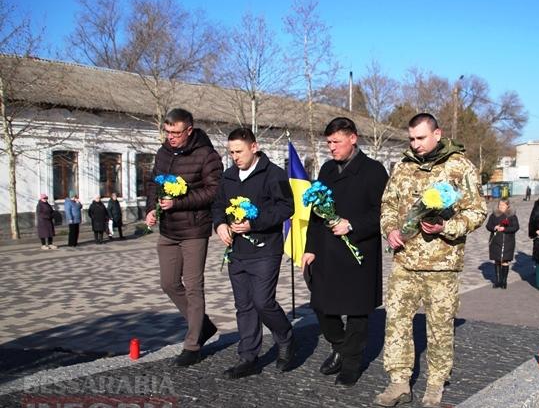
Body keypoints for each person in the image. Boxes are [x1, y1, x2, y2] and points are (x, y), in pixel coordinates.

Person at [375, 113, 486, 408]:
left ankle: (436, 383)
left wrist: (446, 228)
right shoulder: (403, 166)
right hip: (405, 262)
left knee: (439, 327)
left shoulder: (459, 167)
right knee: (396, 322)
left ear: (438, 134)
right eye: (411, 139)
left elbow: (477, 211)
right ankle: (399, 382)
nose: (415, 144)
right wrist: (390, 229)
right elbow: (387, 204)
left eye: (421, 138)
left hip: (442, 264)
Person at [302, 117, 389, 387]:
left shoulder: (374, 171)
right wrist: (310, 248)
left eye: (336, 142)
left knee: (357, 313)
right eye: (328, 142)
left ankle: (351, 362)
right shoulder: (327, 169)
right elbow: (316, 211)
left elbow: (383, 214)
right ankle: (340, 345)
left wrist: (352, 225)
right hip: (327, 252)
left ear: (353, 139)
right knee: (321, 305)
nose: (331, 148)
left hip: (359, 252)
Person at [212, 128, 295, 379]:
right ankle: (248, 357)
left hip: (265, 249)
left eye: (239, 151)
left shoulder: (274, 174)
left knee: (263, 302)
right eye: (231, 152)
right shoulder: (228, 176)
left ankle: (285, 337)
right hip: (237, 251)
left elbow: (287, 207)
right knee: (244, 306)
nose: (235, 157)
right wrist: (220, 225)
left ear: (254, 147)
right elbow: (217, 206)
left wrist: (254, 224)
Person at [145, 108, 223, 367]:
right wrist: (150, 209)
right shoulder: (162, 152)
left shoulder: (207, 155)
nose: (171, 138)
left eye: (176, 133)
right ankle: (203, 325)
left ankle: (192, 344)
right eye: (167, 132)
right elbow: (154, 183)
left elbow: (214, 192)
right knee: (168, 283)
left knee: (193, 286)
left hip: (194, 230)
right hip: (168, 230)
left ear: (189, 130)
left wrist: (178, 203)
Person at [486, 198, 519, 289]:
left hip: (508, 241)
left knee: (505, 260)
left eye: (503, 205)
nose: (501, 206)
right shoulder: (493, 215)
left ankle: (504, 281)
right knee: (497, 260)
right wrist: (494, 227)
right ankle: (497, 281)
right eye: (500, 204)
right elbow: (488, 226)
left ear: (507, 206)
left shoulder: (512, 216)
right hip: (496, 241)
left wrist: (505, 229)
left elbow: (516, 227)